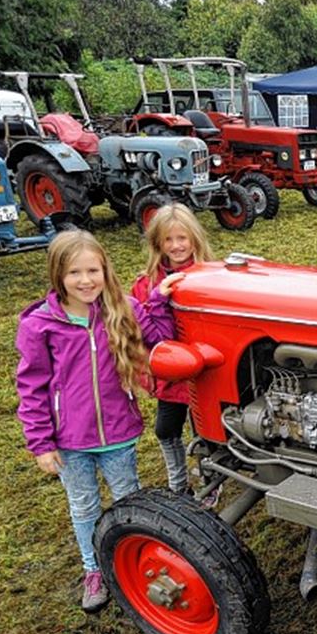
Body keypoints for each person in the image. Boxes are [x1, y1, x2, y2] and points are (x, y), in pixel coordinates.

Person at [15, 231, 179, 612]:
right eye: (74, 272)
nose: (86, 280)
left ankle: (135, 563)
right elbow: (32, 387)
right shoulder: (40, 325)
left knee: (128, 499)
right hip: (69, 441)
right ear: (58, 275)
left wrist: (157, 300)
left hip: (118, 433)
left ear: (105, 270)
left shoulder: (123, 309)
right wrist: (41, 443)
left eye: (93, 270)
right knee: (85, 505)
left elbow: (159, 338)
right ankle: (94, 569)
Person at [132, 203, 214, 497]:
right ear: (157, 243)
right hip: (171, 377)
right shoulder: (146, 284)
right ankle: (178, 486)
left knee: (207, 431)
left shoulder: (210, 276)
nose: (177, 246)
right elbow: (146, 332)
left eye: (182, 238)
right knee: (166, 430)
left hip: (206, 372)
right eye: (168, 239)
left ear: (194, 238)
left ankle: (209, 481)